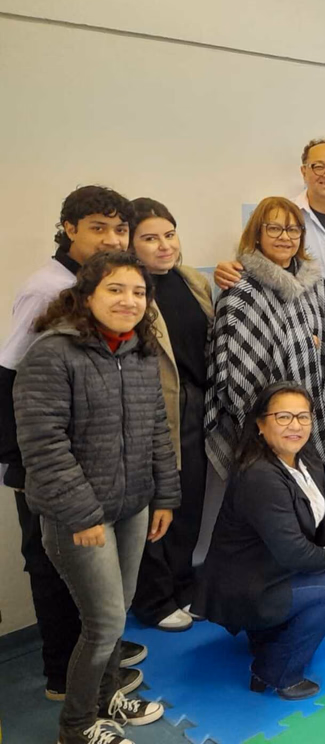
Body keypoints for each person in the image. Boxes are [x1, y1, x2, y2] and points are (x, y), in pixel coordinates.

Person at [15, 251, 180, 744]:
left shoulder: (140, 351)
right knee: (104, 623)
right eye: (115, 289)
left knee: (117, 614)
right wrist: (82, 513)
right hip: (78, 518)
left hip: (132, 508)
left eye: (138, 292)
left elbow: (156, 428)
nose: (129, 300)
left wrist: (164, 496)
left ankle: (108, 697)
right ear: (86, 296)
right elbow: (43, 444)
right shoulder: (52, 352)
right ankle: (77, 725)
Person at [0, 186, 147, 702]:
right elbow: (12, 376)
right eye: (97, 228)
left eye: (120, 229)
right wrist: (22, 465)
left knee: (102, 588)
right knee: (51, 565)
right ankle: (63, 675)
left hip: (99, 467)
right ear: (69, 229)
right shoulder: (48, 289)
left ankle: (96, 660)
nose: (112, 239)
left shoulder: (109, 294)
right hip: (46, 464)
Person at [199, 197, 325, 566]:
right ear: (257, 233)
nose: (285, 236)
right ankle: (281, 573)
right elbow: (235, 370)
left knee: (320, 498)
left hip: (313, 413)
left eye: (293, 229)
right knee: (275, 509)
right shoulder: (241, 290)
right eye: (274, 228)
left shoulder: (315, 285)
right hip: (266, 425)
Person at [196, 383, 325, 701]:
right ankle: (275, 671)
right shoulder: (260, 475)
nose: (296, 425)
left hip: (276, 572)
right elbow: (293, 551)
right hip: (248, 585)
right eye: (283, 417)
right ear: (260, 425)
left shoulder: (306, 458)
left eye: (303, 417)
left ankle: (267, 636)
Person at [213, 138, 325, 383]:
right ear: (304, 171)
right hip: (289, 358)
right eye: (319, 166)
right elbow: (253, 262)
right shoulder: (282, 218)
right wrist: (229, 269)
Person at [126, 198, 213, 633]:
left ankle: (182, 585)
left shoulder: (192, 280)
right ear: (130, 244)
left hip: (196, 404)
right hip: (154, 411)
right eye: (150, 238)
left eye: (170, 234)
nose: (164, 246)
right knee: (155, 506)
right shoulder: (130, 290)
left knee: (189, 500)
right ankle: (154, 599)